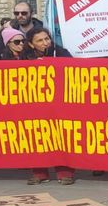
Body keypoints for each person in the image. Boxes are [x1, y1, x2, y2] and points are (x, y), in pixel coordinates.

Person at [19, 27, 76, 185]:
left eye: (47, 39)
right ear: (31, 44)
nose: (45, 43)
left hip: (59, 104)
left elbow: (73, 72)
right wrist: (31, 67)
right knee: (37, 136)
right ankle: (39, 172)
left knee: (61, 136)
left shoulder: (61, 52)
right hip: (36, 105)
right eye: (40, 40)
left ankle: (65, 172)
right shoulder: (25, 57)